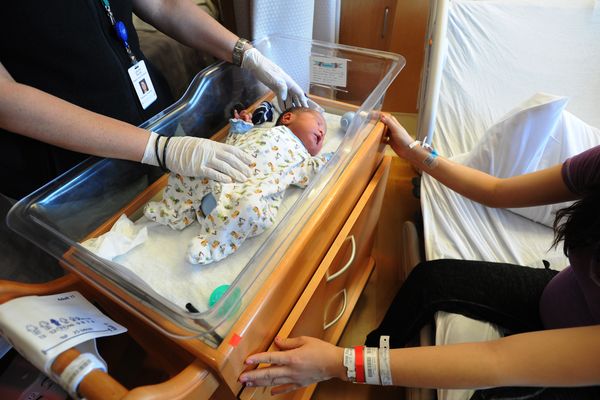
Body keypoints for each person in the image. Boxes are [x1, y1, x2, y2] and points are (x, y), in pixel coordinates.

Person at [238, 113, 600, 398]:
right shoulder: (596, 165)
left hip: (581, 372)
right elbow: (497, 190)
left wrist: (338, 363)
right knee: (431, 279)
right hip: (559, 294)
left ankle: (368, 364)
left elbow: (498, 360)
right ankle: (380, 348)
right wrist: (416, 153)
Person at [0, 1, 321, 282]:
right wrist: (159, 148)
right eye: (317, 121)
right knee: (115, 272)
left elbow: (164, 4)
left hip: (156, 120)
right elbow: (6, 98)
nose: (320, 126)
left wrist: (247, 54)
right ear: (287, 118)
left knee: (197, 198)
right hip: (70, 170)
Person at [144, 106, 331, 264]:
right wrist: (240, 127)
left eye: (324, 134)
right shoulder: (260, 131)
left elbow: (317, 170)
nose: (322, 132)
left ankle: (211, 244)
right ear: (288, 117)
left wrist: (335, 158)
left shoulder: (303, 158)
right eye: (319, 123)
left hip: (247, 193)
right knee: (187, 169)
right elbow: (232, 144)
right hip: (222, 174)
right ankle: (174, 212)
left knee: (252, 207)